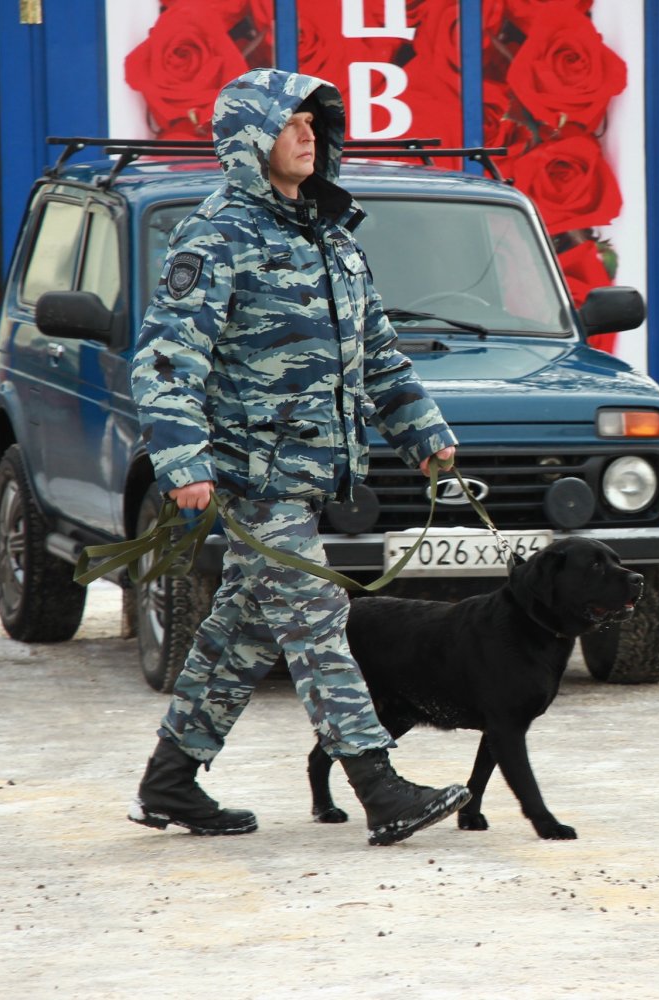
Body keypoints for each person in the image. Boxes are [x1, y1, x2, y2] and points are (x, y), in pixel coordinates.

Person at [127, 68, 470, 846]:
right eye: (292, 124)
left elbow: (378, 355)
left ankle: (170, 780)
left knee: (240, 634)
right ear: (251, 139)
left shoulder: (329, 235)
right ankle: (381, 789)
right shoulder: (217, 235)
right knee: (320, 624)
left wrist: (425, 431)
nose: (309, 134)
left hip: (307, 476)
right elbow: (167, 360)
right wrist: (183, 464)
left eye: (317, 122)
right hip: (256, 480)